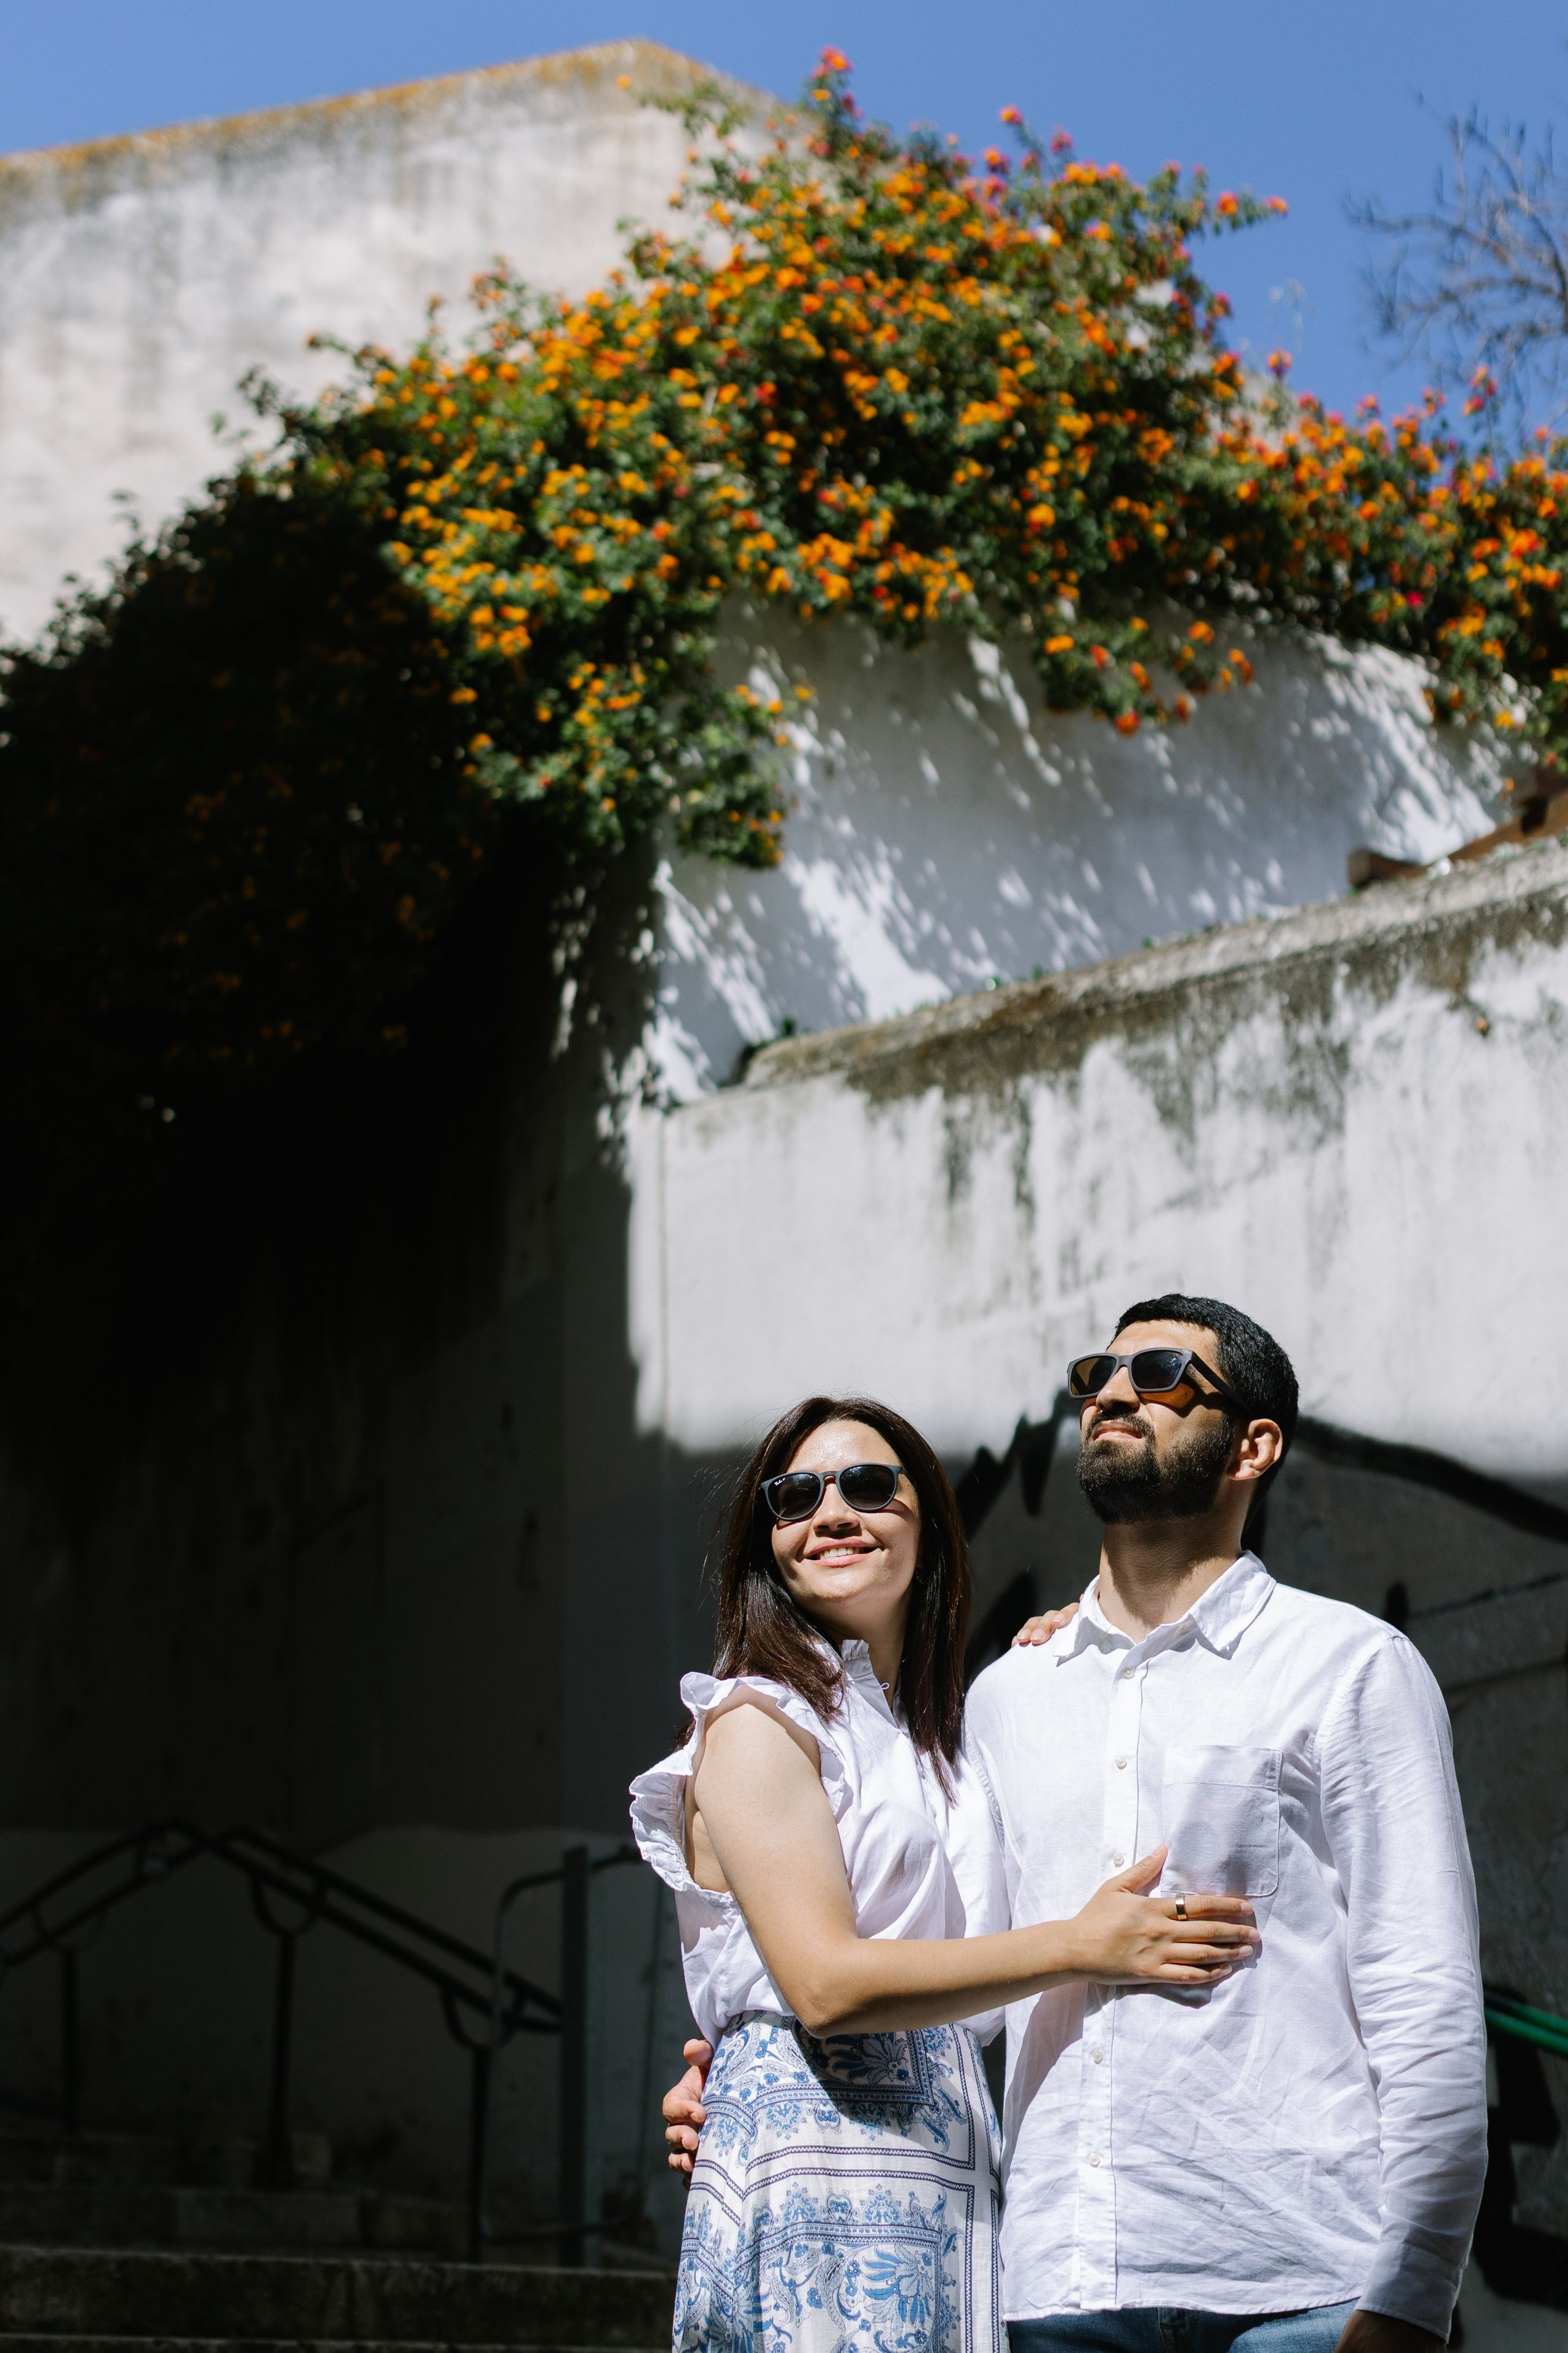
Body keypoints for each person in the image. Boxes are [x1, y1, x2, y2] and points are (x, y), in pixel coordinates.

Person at [664, 1298, 1488, 2353]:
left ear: (1255, 1443)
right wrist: (744, 2054)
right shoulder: (1007, 1697)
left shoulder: (1350, 1666)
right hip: (1051, 2284)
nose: (1111, 1390)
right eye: (1097, 1371)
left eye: (1157, 1373)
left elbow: (1425, 2003)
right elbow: (928, 1957)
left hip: (1301, 2278)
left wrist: (1414, 2295)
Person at [631, 1392, 1259, 2353]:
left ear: (928, 1523)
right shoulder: (757, 1718)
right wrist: (1081, 1945)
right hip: (824, 2163)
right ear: (769, 1542)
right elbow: (825, 1983)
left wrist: (1071, 1647)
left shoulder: (937, 1741)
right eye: (794, 1494)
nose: (831, 1510)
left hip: (947, 2161)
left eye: (870, 1485)